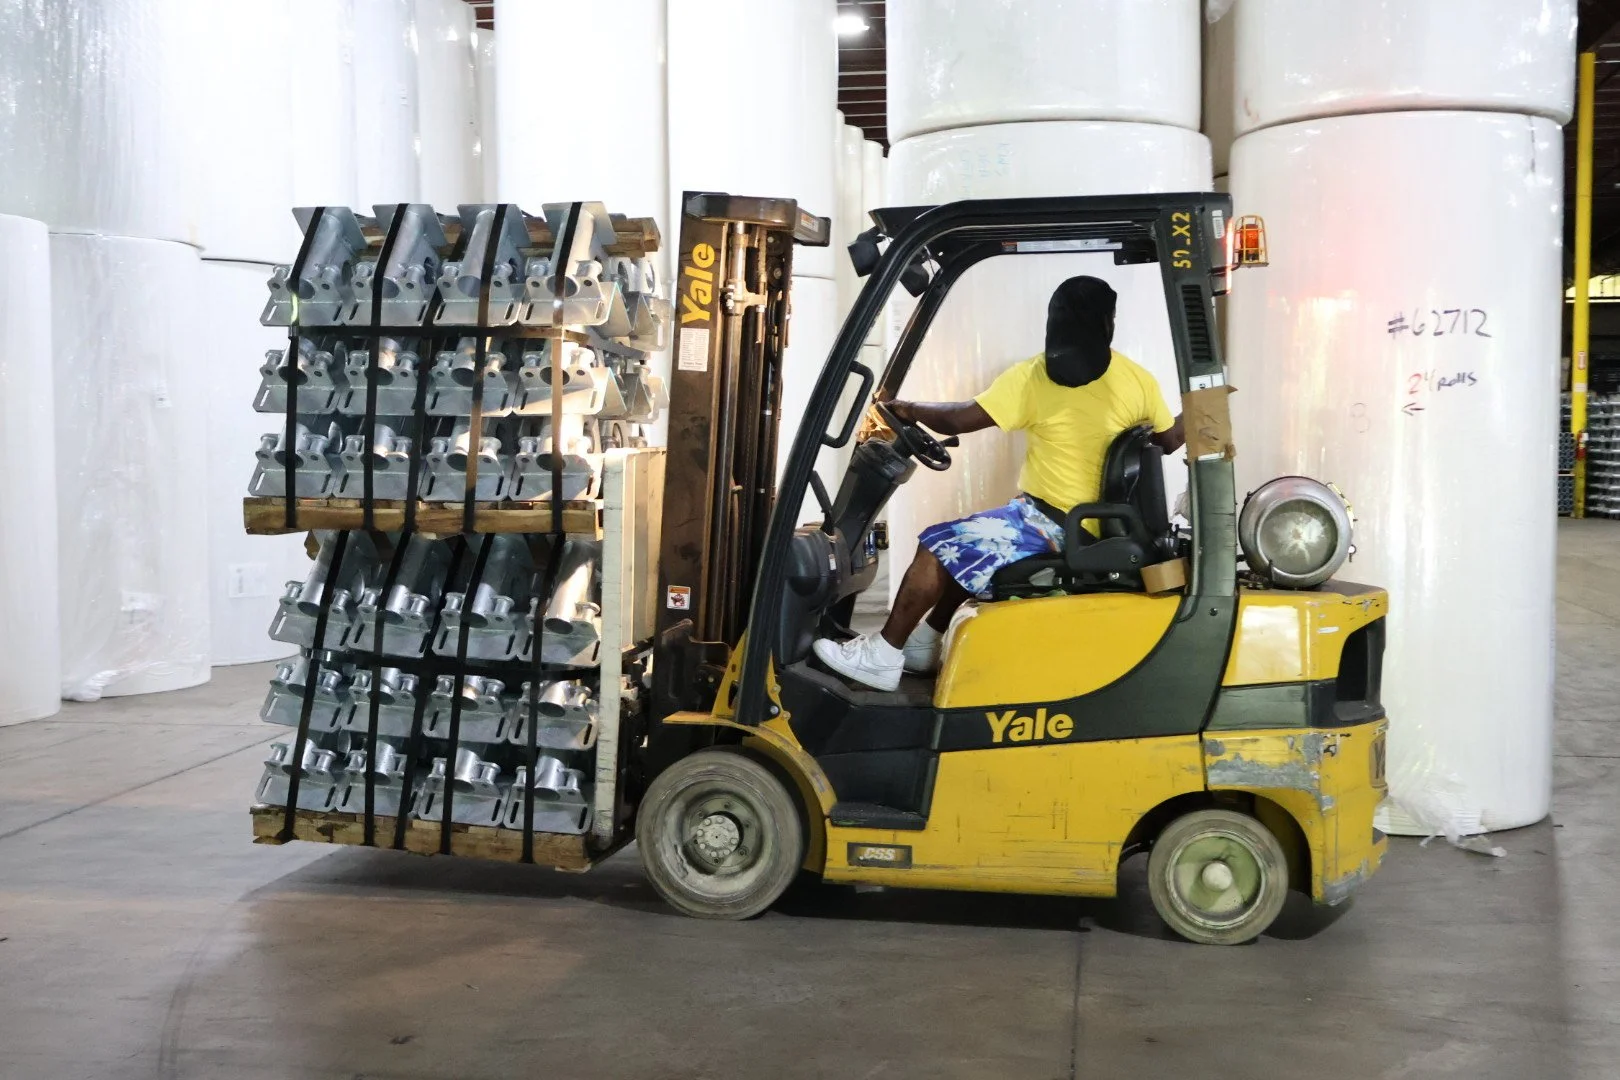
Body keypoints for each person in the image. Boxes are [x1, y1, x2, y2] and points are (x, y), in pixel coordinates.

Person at [812, 275, 1186, 692]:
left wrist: (907, 408)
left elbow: (960, 419)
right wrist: (1204, 408)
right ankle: (924, 642)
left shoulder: (1035, 376)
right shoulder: (1137, 380)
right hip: (1086, 524)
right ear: (1107, 322)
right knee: (971, 541)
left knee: (937, 545)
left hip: (1053, 525)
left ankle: (882, 654)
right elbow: (1168, 440)